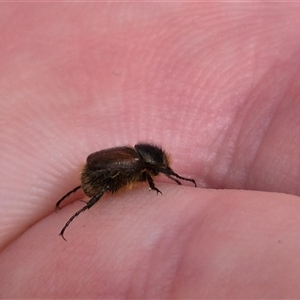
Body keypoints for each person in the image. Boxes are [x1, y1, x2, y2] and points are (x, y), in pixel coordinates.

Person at [1, 2, 300, 298]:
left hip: (95, 169)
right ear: (152, 166)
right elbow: (115, 172)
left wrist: (176, 178)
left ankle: (78, 204)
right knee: (104, 188)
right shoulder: (136, 164)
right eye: (162, 171)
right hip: (97, 176)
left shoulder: (136, 157)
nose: (161, 174)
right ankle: (79, 211)